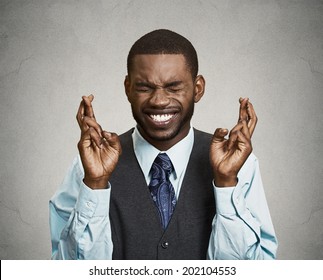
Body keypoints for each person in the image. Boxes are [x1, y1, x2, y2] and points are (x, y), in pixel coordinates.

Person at [49, 29, 278, 260]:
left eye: (174, 87)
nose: (159, 101)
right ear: (128, 88)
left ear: (198, 88)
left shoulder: (240, 165)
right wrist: (95, 185)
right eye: (144, 87)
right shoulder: (87, 167)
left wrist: (227, 184)